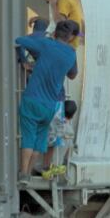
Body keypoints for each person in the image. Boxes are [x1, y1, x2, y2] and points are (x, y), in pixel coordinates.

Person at [15, 22, 79, 179]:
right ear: (70, 37)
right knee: (39, 140)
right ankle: (29, 173)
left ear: (55, 33)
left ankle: (23, 173)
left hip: (32, 99)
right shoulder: (71, 53)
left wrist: (28, 61)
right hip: (50, 105)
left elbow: (20, 40)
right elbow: (72, 74)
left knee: (28, 137)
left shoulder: (46, 45)